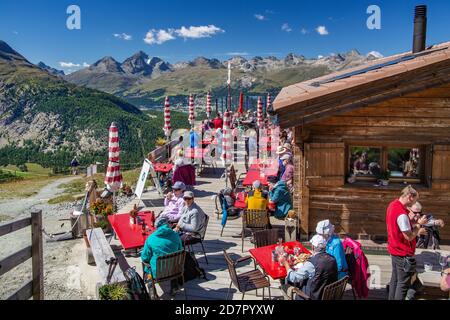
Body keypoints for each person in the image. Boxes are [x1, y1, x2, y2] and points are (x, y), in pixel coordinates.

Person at [386, 185, 428, 300]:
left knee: (395, 280)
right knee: (403, 284)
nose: (415, 202)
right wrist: (419, 225)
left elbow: (397, 227)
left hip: (394, 249)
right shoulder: (402, 214)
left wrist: (412, 221)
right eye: (415, 200)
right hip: (402, 253)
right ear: (410, 197)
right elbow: (409, 237)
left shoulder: (392, 205)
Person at [279, 234, 338, 300]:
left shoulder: (311, 264)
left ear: (312, 247)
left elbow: (293, 278)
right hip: (327, 295)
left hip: (309, 297)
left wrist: (285, 263)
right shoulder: (333, 259)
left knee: (284, 286)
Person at [141, 216, 183, 293]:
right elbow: (181, 250)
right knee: (173, 261)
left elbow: (144, 258)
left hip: (157, 272)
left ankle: (152, 290)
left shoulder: (150, 238)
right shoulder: (176, 236)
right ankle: (174, 286)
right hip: (175, 270)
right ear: (167, 225)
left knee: (147, 268)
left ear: (157, 226)